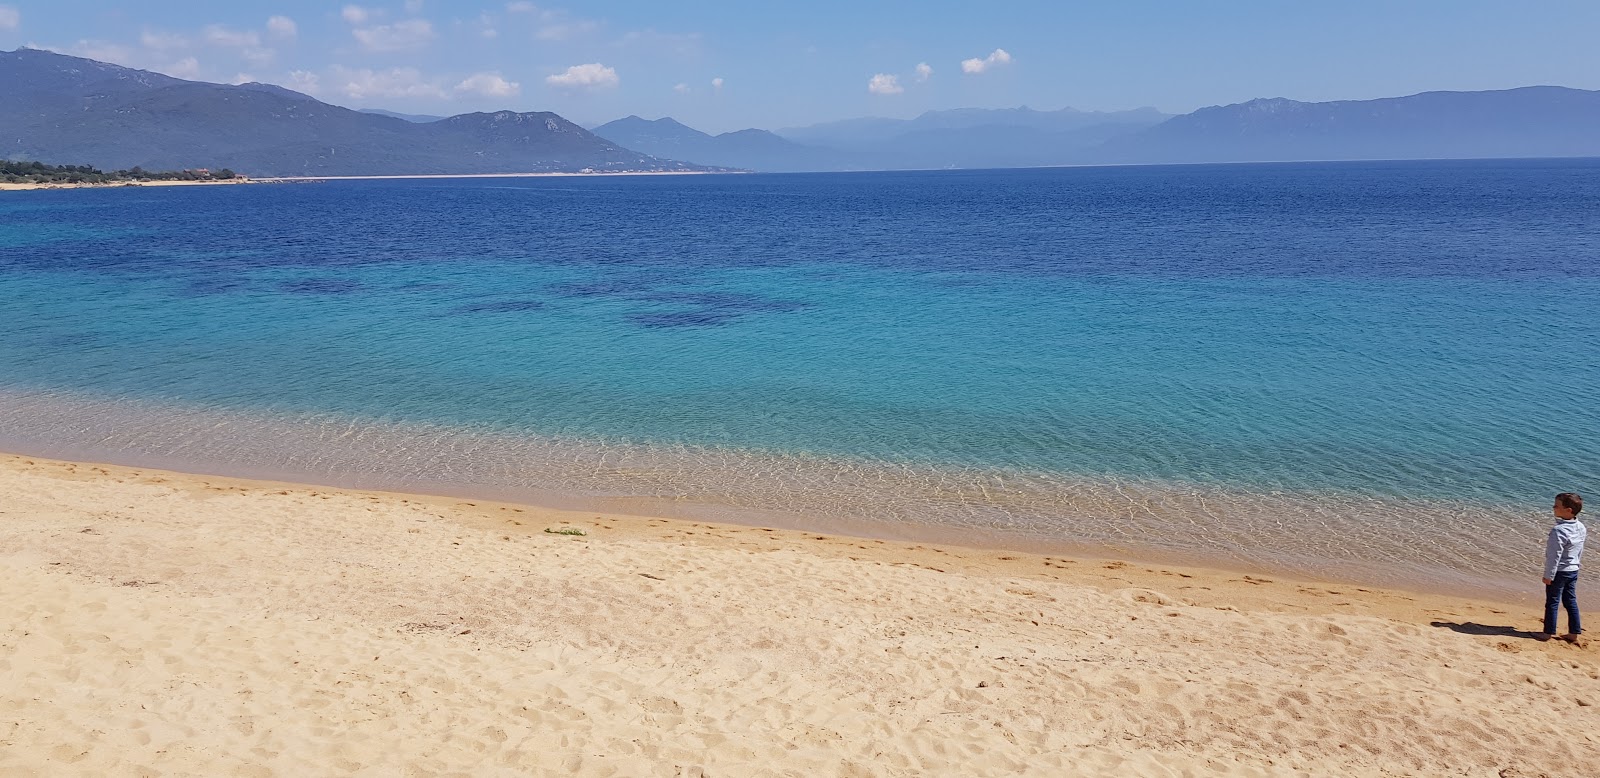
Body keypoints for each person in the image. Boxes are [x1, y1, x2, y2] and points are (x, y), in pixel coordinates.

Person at [1540, 492, 1586, 642]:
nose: (1553, 508)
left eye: (1557, 506)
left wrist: (1549, 575)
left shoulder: (1558, 531)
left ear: (1568, 510)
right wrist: (1577, 566)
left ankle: (1548, 632)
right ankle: (1574, 632)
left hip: (1559, 572)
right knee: (1570, 600)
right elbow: (1579, 550)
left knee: (1552, 602)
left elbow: (1554, 556)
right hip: (1573, 570)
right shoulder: (1580, 527)